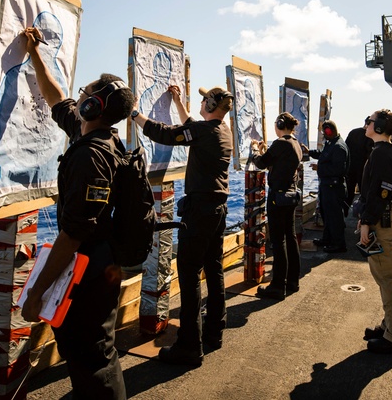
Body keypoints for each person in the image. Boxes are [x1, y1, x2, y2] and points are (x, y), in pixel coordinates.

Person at [18, 26, 134, 400]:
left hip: (92, 264)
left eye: (84, 93)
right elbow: (55, 96)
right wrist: (33, 52)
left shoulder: (91, 157)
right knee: (87, 351)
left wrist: (36, 293)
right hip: (97, 260)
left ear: (94, 106)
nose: (78, 96)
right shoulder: (93, 135)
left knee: (93, 356)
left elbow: (74, 235)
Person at [130, 83, 233, 366]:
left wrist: (135, 114)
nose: (201, 104)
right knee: (214, 269)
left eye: (204, 101)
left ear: (211, 106)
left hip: (200, 211)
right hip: (217, 209)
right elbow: (191, 126)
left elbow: (168, 134)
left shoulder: (203, 131)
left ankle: (189, 346)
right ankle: (214, 332)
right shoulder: (222, 131)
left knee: (188, 275)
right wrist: (177, 101)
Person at [357, 109, 392, 355]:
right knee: (386, 276)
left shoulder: (381, 155)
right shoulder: (390, 152)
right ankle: (389, 325)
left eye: (369, 121)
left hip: (382, 220)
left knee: (387, 279)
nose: (366, 124)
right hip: (388, 217)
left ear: (378, 128)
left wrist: (366, 220)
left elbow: (380, 192)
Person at [250, 112, 305, 299]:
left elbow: (261, 163)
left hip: (278, 197)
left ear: (280, 124)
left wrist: (256, 150)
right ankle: (292, 281)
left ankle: (277, 286)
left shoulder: (281, 143)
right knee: (290, 238)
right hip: (290, 197)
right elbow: (279, 162)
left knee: (278, 241)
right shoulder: (295, 143)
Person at [308, 120, 350, 252]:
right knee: (326, 214)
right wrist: (309, 152)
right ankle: (327, 238)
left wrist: (319, 168)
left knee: (334, 216)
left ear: (329, 131)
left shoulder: (338, 147)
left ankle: (338, 244)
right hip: (327, 186)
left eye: (324, 132)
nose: (323, 135)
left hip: (334, 187)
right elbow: (323, 155)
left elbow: (338, 170)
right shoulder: (331, 144)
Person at [344, 122, 373, 211]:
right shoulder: (370, 136)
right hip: (363, 168)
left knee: (348, 193)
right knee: (364, 193)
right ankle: (364, 215)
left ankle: (344, 212)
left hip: (350, 167)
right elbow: (370, 153)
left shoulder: (353, 132)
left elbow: (346, 148)